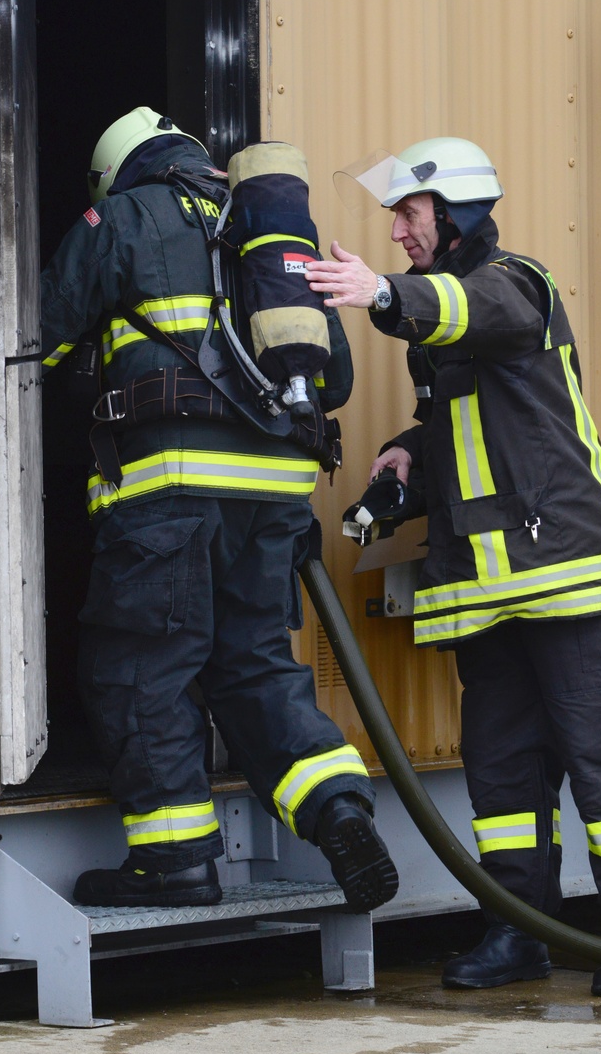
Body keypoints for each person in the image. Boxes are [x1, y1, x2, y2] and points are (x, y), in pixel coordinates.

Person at [306, 135, 601, 996]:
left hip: (565, 581)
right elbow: (476, 431)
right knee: (503, 776)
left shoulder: (516, 285)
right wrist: (411, 455)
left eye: (409, 213)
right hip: (483, 591)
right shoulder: (441, 337)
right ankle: (519, 934)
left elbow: (477, 309)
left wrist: (379, 292)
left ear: (456, 212)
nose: (397, 230)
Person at [40, 106, 399, 914]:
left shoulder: (123, 216)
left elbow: (39, 336)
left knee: (144, 666)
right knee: (255, 662)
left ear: (114, 171)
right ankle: (336, 806)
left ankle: (174, 862)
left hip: (168, 493)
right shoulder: (271, 231)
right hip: (275, 499)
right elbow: (334, 379)